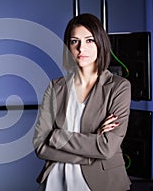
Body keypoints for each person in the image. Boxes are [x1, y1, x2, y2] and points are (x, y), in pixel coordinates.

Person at [33, 13, 131, 191]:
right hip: (57, 180)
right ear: (68, 47)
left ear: (100, 43)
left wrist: (56, 136)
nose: (81, 48)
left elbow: (107, 148)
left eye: (89, 40)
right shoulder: (55, 88)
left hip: (103, 182)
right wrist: (92, 148)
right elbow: (40, 146)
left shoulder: (119, 87)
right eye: (74, 41)